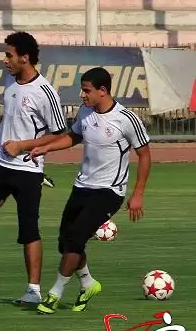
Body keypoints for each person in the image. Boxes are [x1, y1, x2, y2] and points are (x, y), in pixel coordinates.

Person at [26, 67, 151, 314]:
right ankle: (88, 283)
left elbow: (144, 155)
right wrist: (47, 148)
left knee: (75, 239)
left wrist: (137, 194)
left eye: (86, 90)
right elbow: (73, 137)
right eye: (82, 90)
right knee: (65, 243)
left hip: (109, 192)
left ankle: (54, 294)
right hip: (82, 187)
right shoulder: (85, 111)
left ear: (102, 91)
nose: (82, 95)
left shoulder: (126, 119)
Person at [0, 31, 67, 305]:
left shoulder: (45, 92)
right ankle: (3, 193)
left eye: (9, 56)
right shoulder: (10, 85)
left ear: (25, 58)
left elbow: (59, 134)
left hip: (27, 169)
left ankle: (33, 290)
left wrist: (23, 145)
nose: (5, 61)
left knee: (29, 229)